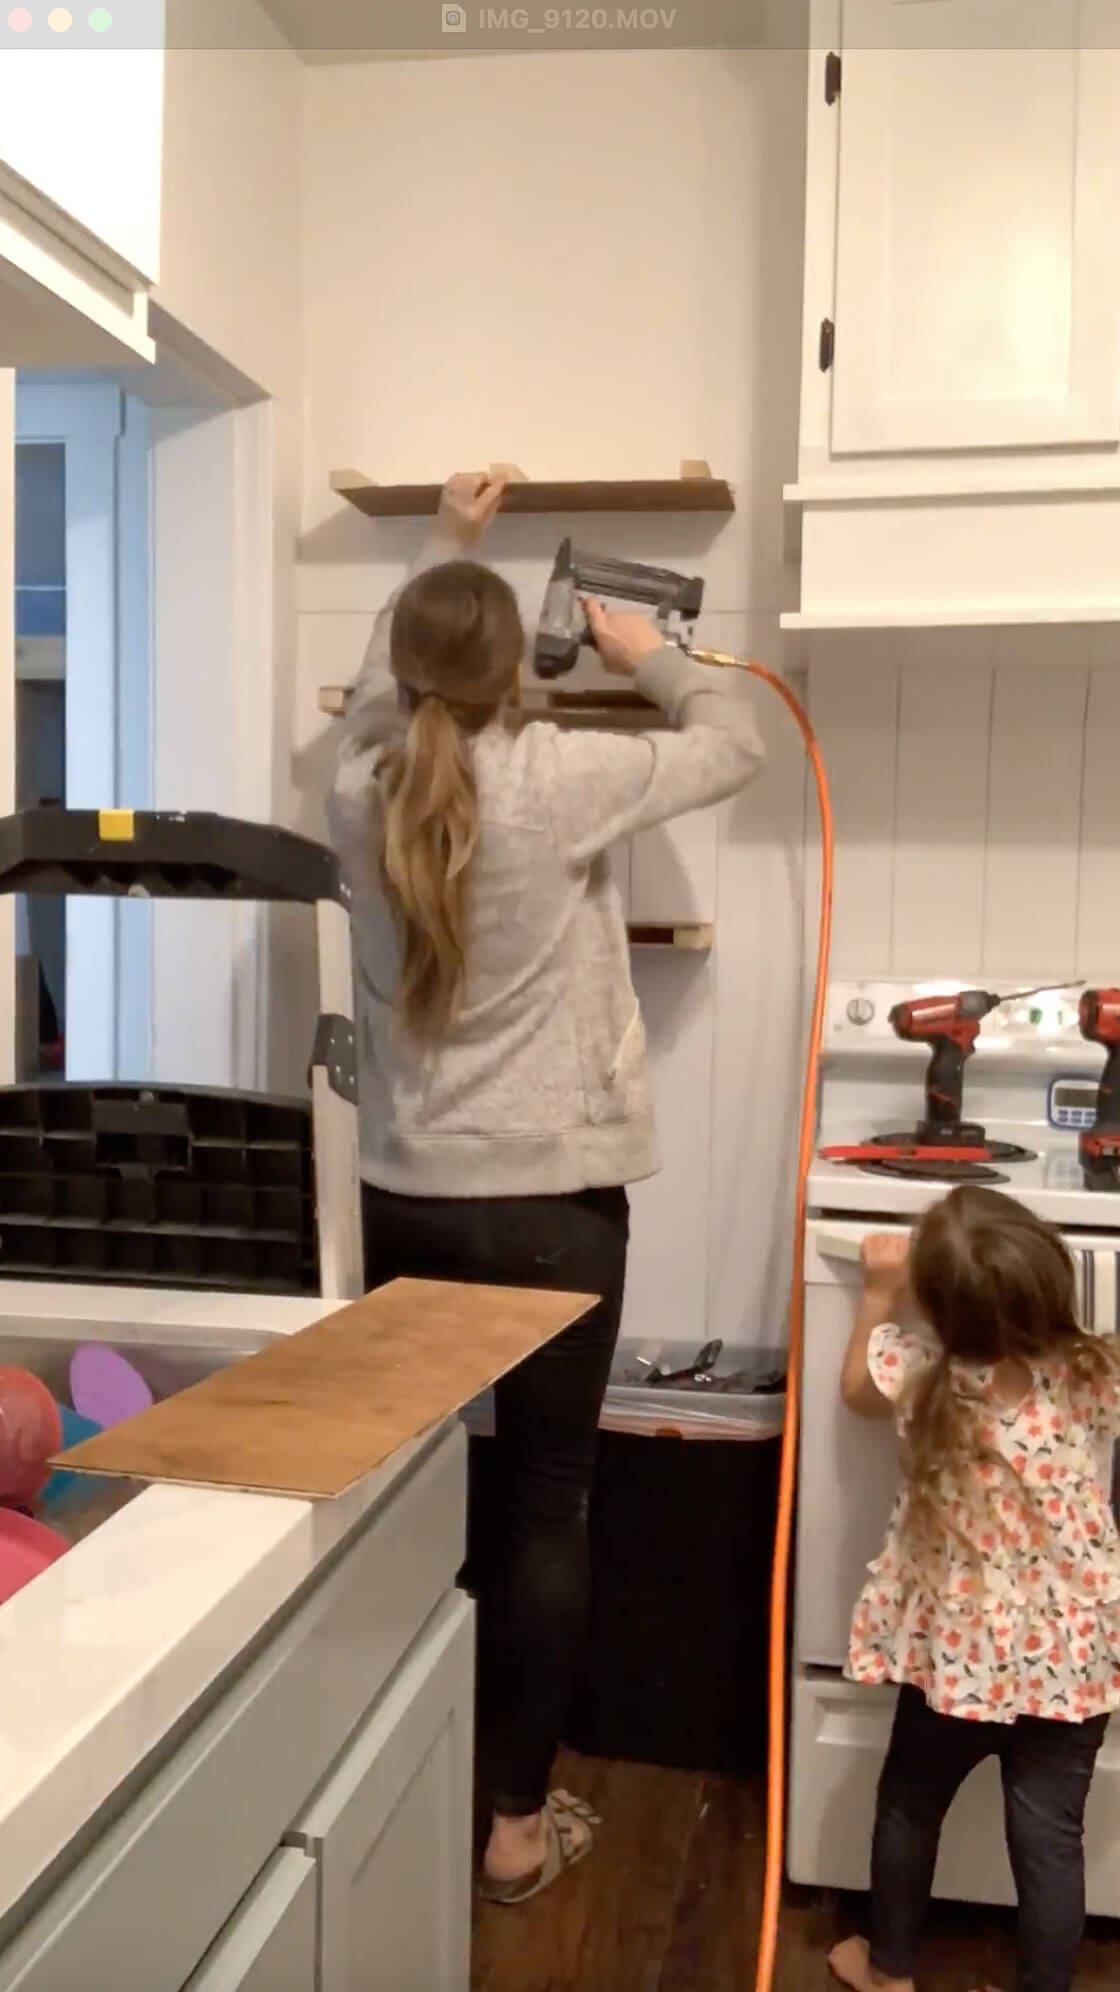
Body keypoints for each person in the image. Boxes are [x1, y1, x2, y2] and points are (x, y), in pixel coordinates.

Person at [326, 471, 765, 1903]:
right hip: (551, 1213)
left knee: (400, 1490)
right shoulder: (562, 775)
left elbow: (373, 706)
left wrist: (447, 555)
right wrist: (656, 659)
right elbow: (736, 737)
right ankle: (513, 1828)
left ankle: (371, 1782)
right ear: (518, 672)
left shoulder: (356, 789)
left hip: (402, 1198)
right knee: (549, 1499)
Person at [829, 1185, 1120, 1992]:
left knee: (910, 1805)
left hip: (958, 1657)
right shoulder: (1093, 1370)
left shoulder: (923, 1378)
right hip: (1071, 1658)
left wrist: (881, 1295)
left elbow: (855, 1388)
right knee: (1051, 1839)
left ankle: (888, 1973)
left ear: (940, 1309)